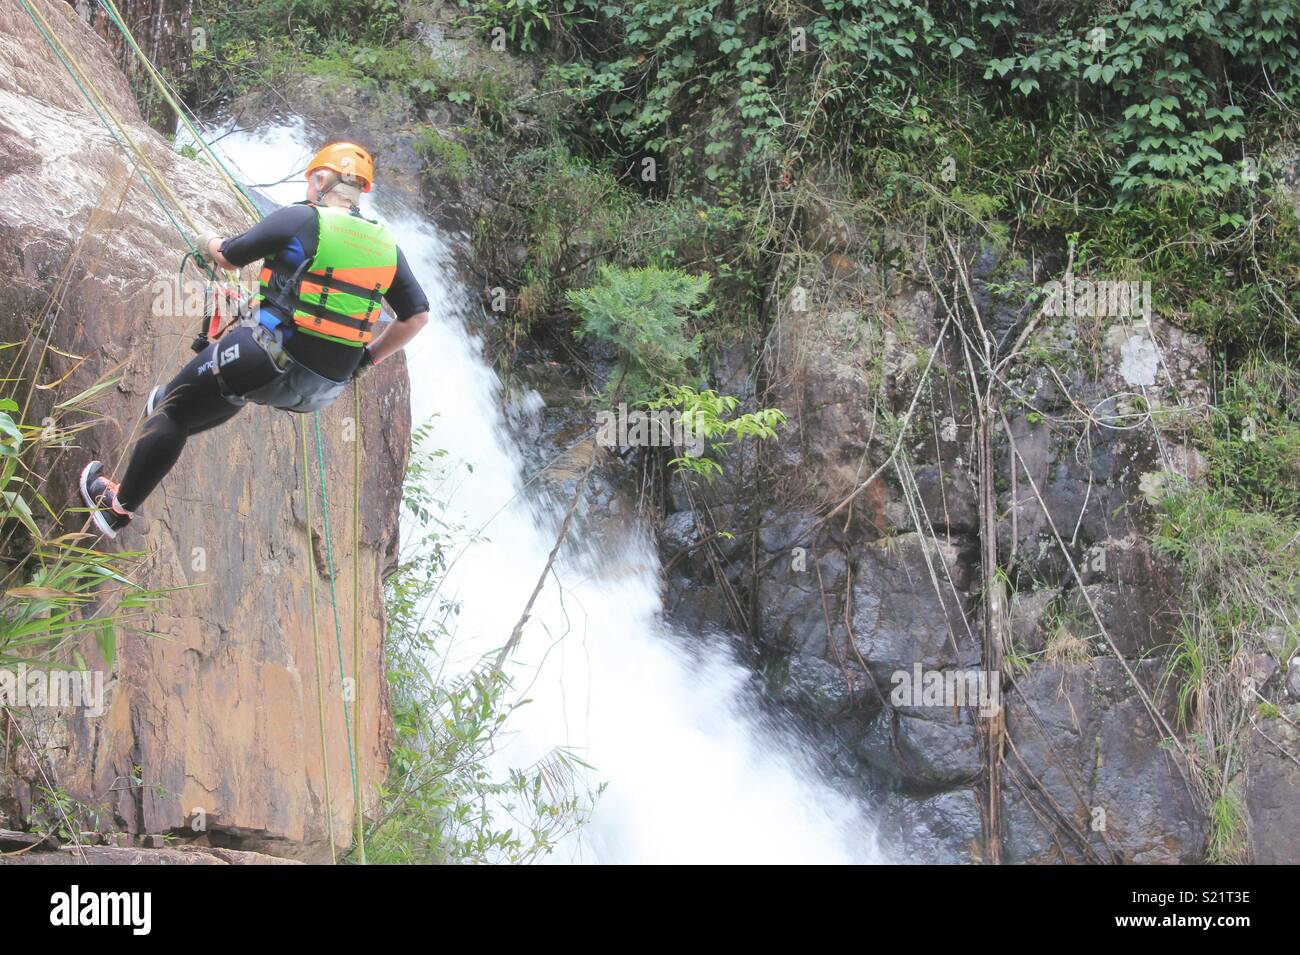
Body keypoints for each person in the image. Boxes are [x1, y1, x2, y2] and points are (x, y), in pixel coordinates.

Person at [79, 141, 430, 538]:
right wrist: (365, 361)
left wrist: (205, 242)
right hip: (320, 388)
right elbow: (417, 315)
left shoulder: (303, 218)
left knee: (172, 411)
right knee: (191, 398)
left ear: (319, 179)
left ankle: (116, 508)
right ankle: (162, 426)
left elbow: (230, 255)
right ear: (360, 191)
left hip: (266, 357)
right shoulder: (386, 246)